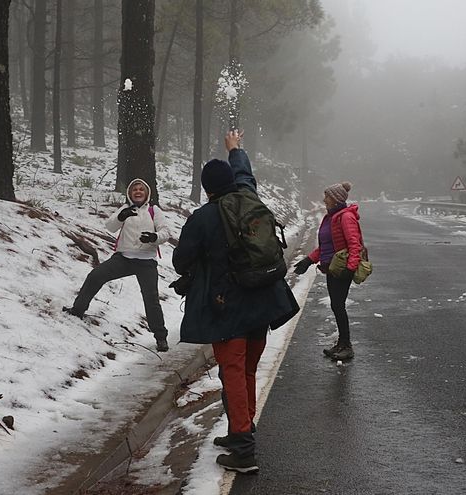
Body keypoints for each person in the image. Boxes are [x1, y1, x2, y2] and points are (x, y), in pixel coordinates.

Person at [172, 130, 299, 474]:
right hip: (263, 301)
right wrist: (236, 149)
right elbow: (245, 174)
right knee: (246, 371)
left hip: (227, 307)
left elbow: (181, 261)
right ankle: (240, 428)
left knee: (232, 373)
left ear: (206, 188)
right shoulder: (247, 196)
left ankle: (243, 449)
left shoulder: (203, 218)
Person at [63, 178, 171, 352]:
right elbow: (110, 226)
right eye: (134, 189)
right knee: (95, 276)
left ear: (147, 193)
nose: (137, 191)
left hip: (146, 262)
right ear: (129, 193)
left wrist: (153, 237)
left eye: (141, 189)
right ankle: (77, 310)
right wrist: (121, 216)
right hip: (124, 259)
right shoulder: (125, 209)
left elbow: (165, 232)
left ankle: (161, 338)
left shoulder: (154, 210)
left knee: (151, 300)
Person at [293, 181, 362, 361]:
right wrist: (308, 260)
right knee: (336, 305)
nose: (324, 200)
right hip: (333, 268)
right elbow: (326, 247)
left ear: (335, 199)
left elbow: (355, 244)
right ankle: (342, 343)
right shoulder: (331, 217)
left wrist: (350, 268)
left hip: (341, 268)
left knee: (338, 305)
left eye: (327, 197)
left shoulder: (345, 217)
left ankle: (347, 346)